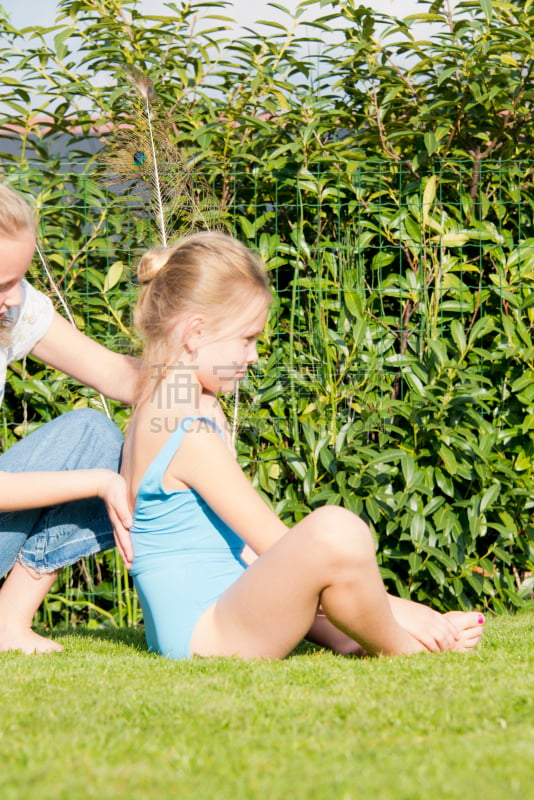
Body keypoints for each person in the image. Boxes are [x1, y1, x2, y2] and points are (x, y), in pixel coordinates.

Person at [121, 231, 485, 661]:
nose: (254, 355)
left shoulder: (163, 403)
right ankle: (402, 644)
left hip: (217, 612)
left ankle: (375, 633)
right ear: (197, 332)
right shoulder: (188, 430)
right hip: (206, 633)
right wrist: (403, 609)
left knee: (332, 549)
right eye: (247, 338)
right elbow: (271, 542)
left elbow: (244, 554)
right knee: (336, 530)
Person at [0, 182, 138, 654]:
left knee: (91, 430)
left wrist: (196, 377)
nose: (15, 299)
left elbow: (114, 375)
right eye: (1, 284)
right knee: (97, 454)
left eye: (20, 279)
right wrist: (100, 482)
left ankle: (6, 624)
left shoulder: (9, 314)